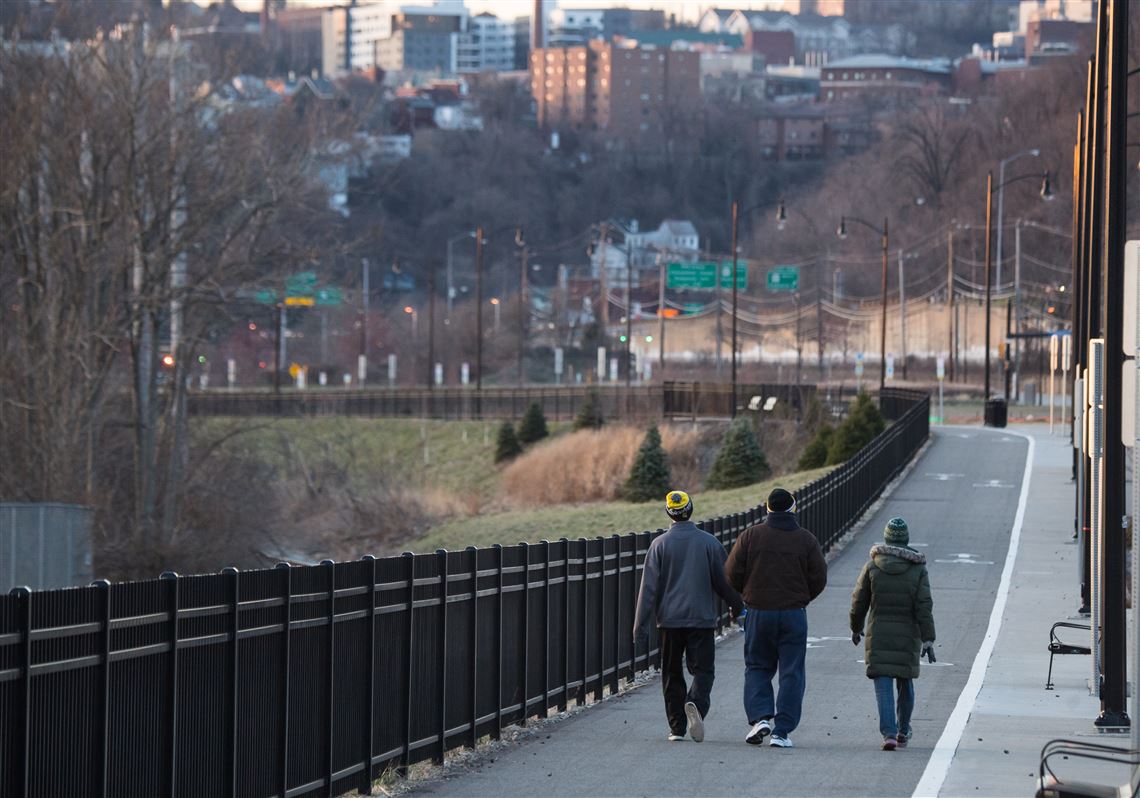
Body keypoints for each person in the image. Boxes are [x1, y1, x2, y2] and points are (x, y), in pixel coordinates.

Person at [633, 490, 744, 743]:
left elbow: (648, 589)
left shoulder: (659, 545)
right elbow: (725, 582)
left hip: (669, 621)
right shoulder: (709, 543)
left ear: (668, 513)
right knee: (704, 670)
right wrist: (737, 607)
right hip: (701, 618)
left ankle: (677, 728)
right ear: (690, 510)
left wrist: (640, 627)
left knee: (671, 672)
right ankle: (695, 704)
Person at [725, 487, 827, 749]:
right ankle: (782, 731)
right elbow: (819, 578)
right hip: (793, 613)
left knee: (757, 666)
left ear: (767, 509)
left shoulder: (750, 536)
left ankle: (760, 718)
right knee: (792, 672)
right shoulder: (806, 540)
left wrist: (748, 594)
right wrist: (802, 598)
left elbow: (731, 574)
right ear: (793, 508)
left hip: (759, 611)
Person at [849, 517, 936, 751]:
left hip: (879, 633)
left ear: (886, 538)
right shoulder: (918, 569)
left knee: (883, 683)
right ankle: (903, 731)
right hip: (909, 635)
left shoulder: (872, 566)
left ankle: (889, 733)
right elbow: (924, 605)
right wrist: (928, 638)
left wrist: (856, 627)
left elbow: (858, 601)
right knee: (905, 681)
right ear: (906, 539)